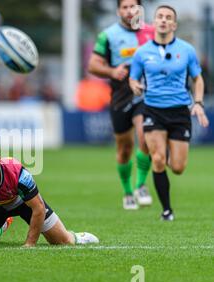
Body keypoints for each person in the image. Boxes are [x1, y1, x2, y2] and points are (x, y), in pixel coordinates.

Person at [129, 5, 209, 221]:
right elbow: (133, 78)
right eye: (160, 17)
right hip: (153, 110)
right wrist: (135, 86)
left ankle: (164, 155)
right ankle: (166, 210)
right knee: (157, 159)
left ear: (174, 24)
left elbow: (198, 79)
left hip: (180, 112)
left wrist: (198, 103)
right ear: (154, 22)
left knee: (178, 167)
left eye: (168, 18)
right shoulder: (142, 52)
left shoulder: (187, 50)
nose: (163, 20)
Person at [0, 140, 99, 248]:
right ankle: (3, 225)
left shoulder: (17, 173)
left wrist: (30, 244)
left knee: (63, 242)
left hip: (22, 203)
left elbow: (38, 208)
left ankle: (79, 237)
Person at [88, 0, 155, 210]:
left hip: (146, 95)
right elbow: (93, 65)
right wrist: (112, 71)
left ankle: (141, 185)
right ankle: (127, 192)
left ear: (140, 9)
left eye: (133, 6)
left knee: (146, 136)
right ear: (118, 11)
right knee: (124, 148)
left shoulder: (151, 32)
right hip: (120, 96)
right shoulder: (108, 35)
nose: (129, 11)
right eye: (125, 7)